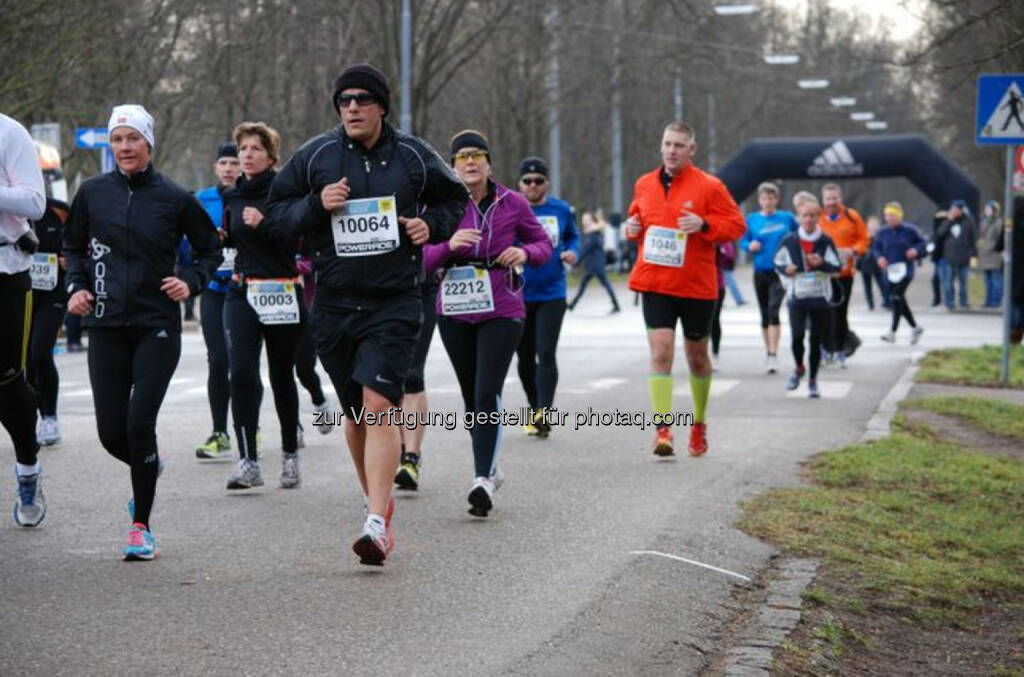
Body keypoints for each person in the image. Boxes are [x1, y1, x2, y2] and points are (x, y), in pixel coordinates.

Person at [264, 63, 466, 565]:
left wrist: (428, 227)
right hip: (332, 303)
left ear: (381, 105)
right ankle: (377, 500)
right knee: (355, 412)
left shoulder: (415, 156)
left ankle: (375, 523)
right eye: (343, 101)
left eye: (360, 99)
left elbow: (454, 201)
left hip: (394, 300)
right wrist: (316, 205)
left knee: (379, 405)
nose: (351, 107)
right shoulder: (316, 156)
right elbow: (275, 217)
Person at [65, 104, 221, 559]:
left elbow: (211, 250)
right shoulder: (92, 193)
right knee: (111, 433)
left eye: (133, 138)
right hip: (107, 324)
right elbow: (73, 247)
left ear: (149, 143)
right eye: (118, 140)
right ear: (110, 146)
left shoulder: (175, 198)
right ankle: (148, 469)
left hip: (156, 325)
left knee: (139, 424)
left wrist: (190, 281)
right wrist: (76, 286)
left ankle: (141, 526)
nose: (125, 147)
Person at [424, 130, 551, 517]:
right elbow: (421, 258)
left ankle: (481, 479)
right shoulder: (439, 205)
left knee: (486, 391)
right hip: (455, 308)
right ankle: (490, 469)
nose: (470, 162)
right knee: (470, 396)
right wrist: (448, 246)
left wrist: (524, 251)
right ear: (452, 165)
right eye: (461, 156)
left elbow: (544, 245)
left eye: (477, 154)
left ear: (489, 163)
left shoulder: (511, 201)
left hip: (502, 307)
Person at [623, 121, 745, 457]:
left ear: (692, 149)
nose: (672, 151)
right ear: (660, 147)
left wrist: (705, 225)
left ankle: (699, 423)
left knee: (697, 358)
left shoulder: (710, 186)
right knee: (661, 353)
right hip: (656, 283)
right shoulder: (644, 184)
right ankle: (663, 430)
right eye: (667, 144)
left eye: (679, 145)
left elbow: (736, 225)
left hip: (696, 287)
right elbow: (637, 221)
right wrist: (631, 228)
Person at [219, 121, 306, 490]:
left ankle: (289, 455)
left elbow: (298, 239)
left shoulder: (286, 192)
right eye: (243, 150)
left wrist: (266, 223)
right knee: (239, 374)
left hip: (282, 290)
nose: (247, 156)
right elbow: (235, 240)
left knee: (282, 374)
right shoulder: (233, 195)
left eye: (255, 149)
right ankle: (248, 461)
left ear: (271, 156)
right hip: (241, 290)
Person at [1, 113, 47, 527]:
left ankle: (28, 467)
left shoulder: (8, 132)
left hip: (5, 271)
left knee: (7, 383)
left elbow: (34, 202)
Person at [515, 155, 579, 438]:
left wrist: (572, 252)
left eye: (538, 181)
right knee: (525, 355)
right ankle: (533, 406)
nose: (532, 185)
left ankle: (544, 411)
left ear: (546, 183)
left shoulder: (561, 210)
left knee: (546, 351)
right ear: (519, 184)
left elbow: (574, 236)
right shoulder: (512, 210)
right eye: (527, 181)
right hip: (518, 292)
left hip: (553, 290)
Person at [194, 142, 244, 459]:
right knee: (218, 360)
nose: (229, 168)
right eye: (223, 162)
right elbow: (187, 242)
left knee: (243, 365)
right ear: (215, 167)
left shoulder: (254, 197)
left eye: (234, 163)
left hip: (246, 291)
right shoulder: (202, 200)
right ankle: (219, 432)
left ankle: (249, 426)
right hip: (214, 290)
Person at [774, 196, 842, 398]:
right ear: (799, 217)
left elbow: (837, 267)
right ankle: (799, 367)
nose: (809, 219)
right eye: (805, 215)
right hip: (797, 297)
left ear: (819, 217)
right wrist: (787, 269)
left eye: (813, 216)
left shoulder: (825, 241)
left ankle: (813, 381)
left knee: (815, 340)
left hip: (820, 298)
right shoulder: (790, 240)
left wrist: (821, 264)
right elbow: (776, 262)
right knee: (797, 337)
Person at [740, 181, 797, 373]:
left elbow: (799, 236)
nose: (768, 201)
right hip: (760, 270)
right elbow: (743, 240)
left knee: (774, 310)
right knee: (764, 314)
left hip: (779, 272)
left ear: (777, 199)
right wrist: (749, 247)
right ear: (759, 200)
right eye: (765, 198)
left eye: (772, 198)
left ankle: (773, 355)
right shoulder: (752, 219)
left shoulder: (787, 218)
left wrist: (795, 259)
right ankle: (768, 351)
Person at [28, 197, 70, 447]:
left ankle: (50, 417)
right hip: (17, 293)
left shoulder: (59, 210)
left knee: (40, 352)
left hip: (52, 294)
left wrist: (70, 259)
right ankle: (28, 418)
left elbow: (80, 242)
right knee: (23, 362)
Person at [819, 183, 868, 367]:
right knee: (823, 313)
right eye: (828, 199)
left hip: (844, 273)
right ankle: (825, 350)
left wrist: (854, 250)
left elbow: (864, 238)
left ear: (840, 198)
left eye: (834, 198)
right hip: (823, 274)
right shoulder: (819, 217)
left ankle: (840, 350)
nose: (831, 202)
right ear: (823, 200)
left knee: (840, 313)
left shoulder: (851, 216)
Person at [874, 202, 927, 344]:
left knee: (896, 296)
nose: (889, 218)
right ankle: (915, 327)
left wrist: (916, 251)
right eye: (887, 215)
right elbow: (876, 248)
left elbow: (923, 244)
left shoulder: (910, 230)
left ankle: (893, 331)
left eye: (892, 215)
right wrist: (879, 257)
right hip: (890, 271)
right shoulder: (882, 232)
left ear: (899, 216)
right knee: (897, 299)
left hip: (906, 270)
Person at [569, 211, 620, 312]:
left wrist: (575, 263)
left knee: (598, 285)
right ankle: (572, 305)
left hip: (594, 265)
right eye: (584, 219)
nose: (584, 221)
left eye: (586, 219)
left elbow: (584, 250)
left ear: (592, 221)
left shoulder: (593, 235)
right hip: (595, 264)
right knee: (588, 286)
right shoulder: (594, 233)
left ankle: (572, 305)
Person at [937, 199, 977, 309]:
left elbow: (972, 239)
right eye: (951, 209)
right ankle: (950, 302)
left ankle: (964, 302)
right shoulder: (948, 221)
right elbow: (940, 234)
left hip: (964, 256)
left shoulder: (968, 221)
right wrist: (949, 221)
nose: (952, 211)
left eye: (954, 209)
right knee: (948, 281)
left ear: (960, 210)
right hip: (950, 257)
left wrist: (974, 255)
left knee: (963, 282)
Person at [710, 241, 736, 371]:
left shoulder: (721, 238)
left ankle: (715, 354)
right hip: (694, 285)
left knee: (714, 320)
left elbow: (730, 259)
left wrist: (720, 249)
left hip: (716, 285)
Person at [858, 215, 890, 311]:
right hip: (865, 264)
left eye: (874, 226)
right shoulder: (864, 235)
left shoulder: (880, 235)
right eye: (871, 226)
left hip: (876, 263)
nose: (872, 228)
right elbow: (861, 248)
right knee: (867, 286)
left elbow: (883, 247)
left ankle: (886, 301)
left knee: (882, 284)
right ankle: (870, 304)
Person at [978, 200, 1004, 308]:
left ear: (994, 210)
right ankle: (988, 301)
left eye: (988, 209)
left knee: (996, 280)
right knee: (987, 281)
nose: (986, 211)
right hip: (984, 255)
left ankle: (995, 301)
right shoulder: (983, 222)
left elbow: (1001, 238)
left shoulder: (998, 223)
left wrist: (995, 248)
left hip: (994, 255)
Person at [928, 210, 947, 307]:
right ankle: (938, 299)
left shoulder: (945, 225)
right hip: (938, 257)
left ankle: (944, 299)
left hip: (944, 256)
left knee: (943, 279)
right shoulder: (937, 226)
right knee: (937, 280)